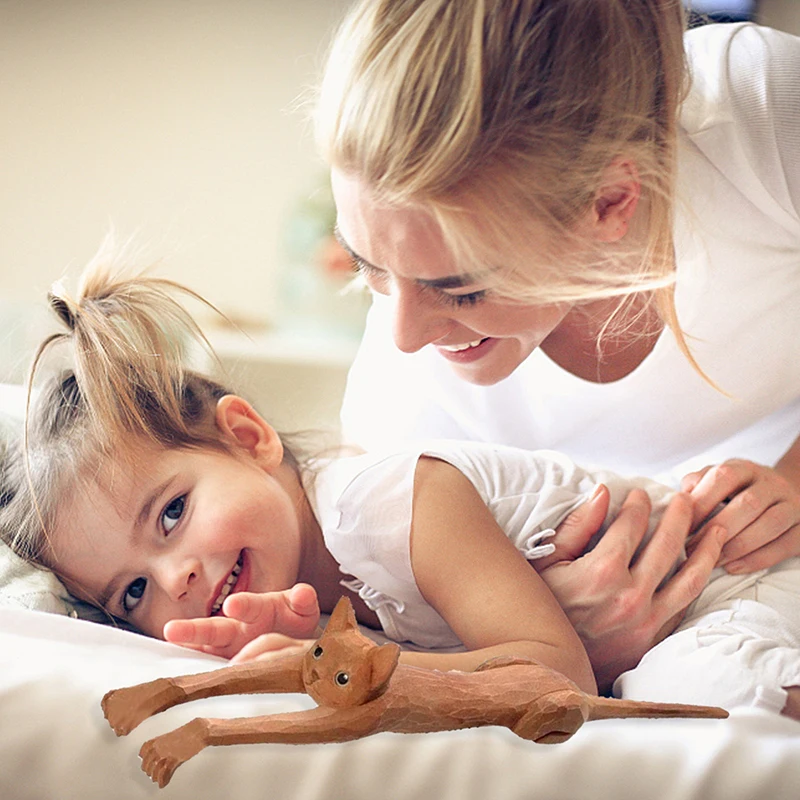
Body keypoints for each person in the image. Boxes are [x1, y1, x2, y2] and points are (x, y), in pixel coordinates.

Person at [1, 255, 798, 716]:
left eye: (173, 512)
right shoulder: (286, 588)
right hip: (676, 613)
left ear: (247, 438)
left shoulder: (384, 502)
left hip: (737, 579)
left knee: (705, 695)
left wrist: (328, 666)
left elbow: (559, 673)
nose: (173, 579)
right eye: (132, 593)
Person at [314, 1, 800, 685]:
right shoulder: (392, 428)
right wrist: (538, 635)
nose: (404, 338)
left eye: (461, 289)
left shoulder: (763, 112)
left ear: (610, 203)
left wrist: (794, 483)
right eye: (370, 268)